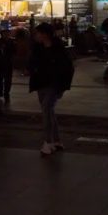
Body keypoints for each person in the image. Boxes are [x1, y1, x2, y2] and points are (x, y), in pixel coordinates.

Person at [29, 23, 74, 156]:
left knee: (47, 110)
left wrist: (62, 86)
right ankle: (57, 140)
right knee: (49, 111)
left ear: (45, 34)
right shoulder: (37, 48)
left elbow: (67, 68)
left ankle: (48, 142)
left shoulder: (58, 49)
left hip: (54, 85)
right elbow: (32, 63)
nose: (36, 36)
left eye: (38, 33)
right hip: (40, 84)